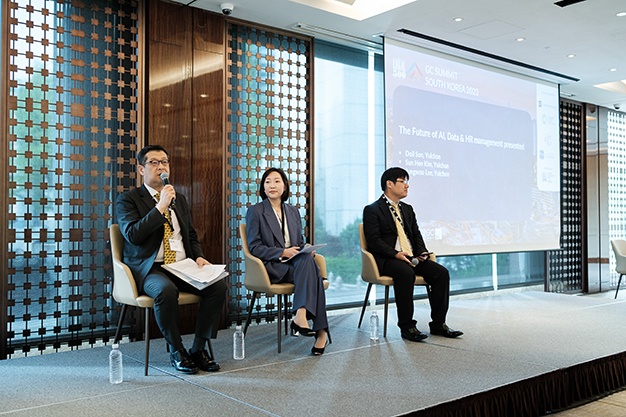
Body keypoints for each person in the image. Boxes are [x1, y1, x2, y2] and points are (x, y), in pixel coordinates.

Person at [115, 145, 227, 373]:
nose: (161, 167)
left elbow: (190, 235)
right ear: (141, 169)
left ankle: (198, 349)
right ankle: (177, 351)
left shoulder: (180, 199)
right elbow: (133, 235)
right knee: (165, 290)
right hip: (150, 268)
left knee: (218, 285)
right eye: (154, 162)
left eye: (164, 162)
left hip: (181, 266)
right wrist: (160, 207)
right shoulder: (128, 200)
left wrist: (199, 257)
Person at [362, 167, 463, 342]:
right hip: (388, 259)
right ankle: (407, 326)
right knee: (405, 273)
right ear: (389, 184)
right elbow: (373, 240)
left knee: (441, 273)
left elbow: (416, 234)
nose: (407, 186)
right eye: (403, 182)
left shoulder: (407, 209)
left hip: (411, 257)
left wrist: (422, 251)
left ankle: (438, 324)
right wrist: (395, 254)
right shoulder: (372, 209)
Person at [245, 167, 330, 355]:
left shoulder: (293, 211)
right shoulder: (256, 211)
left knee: (307, 260)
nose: (272, 185)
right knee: (314, 273)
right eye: (267, 182)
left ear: (284, 186)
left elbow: (298, 242)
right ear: (263, 187)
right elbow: (255, 247)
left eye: (277, 181)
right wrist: (283, 252)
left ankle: (302, 316)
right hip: (273, 266)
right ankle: (320, 331)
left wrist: (306, 249)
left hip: (296, 265)